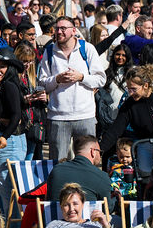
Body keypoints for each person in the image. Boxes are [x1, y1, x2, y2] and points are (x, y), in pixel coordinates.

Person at [37, 16, 107, 161]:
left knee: (87, 162)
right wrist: (57, 79)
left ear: (74, 31)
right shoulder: (49, 51)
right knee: (58, 162)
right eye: (57, 29)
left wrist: (81, 77)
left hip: (85, 116)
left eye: (63, 28)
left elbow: (101, 79)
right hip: (58, 117)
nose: (59, 32)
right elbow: (42, 83)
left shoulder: (87, 49)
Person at [99, 65, 153, 170]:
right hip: (145, 144)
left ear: (145, 85)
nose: (130, 93)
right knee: (145, 176)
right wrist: (99, 149)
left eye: (134, 89)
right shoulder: (130, 104)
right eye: (128, 89)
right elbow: (116, 129)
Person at [0, 50, 28, 215]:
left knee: (7, 187)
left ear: (10, 69)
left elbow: (16, 115)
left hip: (9, 140)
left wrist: (4, 136)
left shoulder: (9, 85)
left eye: (2, 67)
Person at [46, 135, 113, 205]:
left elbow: (49, 199)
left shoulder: (56, 170)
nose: (100, 156)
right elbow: (107, 208)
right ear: (93, 152)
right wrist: (116, 197)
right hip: (87, 216)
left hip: (56, 215)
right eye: (100, 152)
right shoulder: (101, 176)